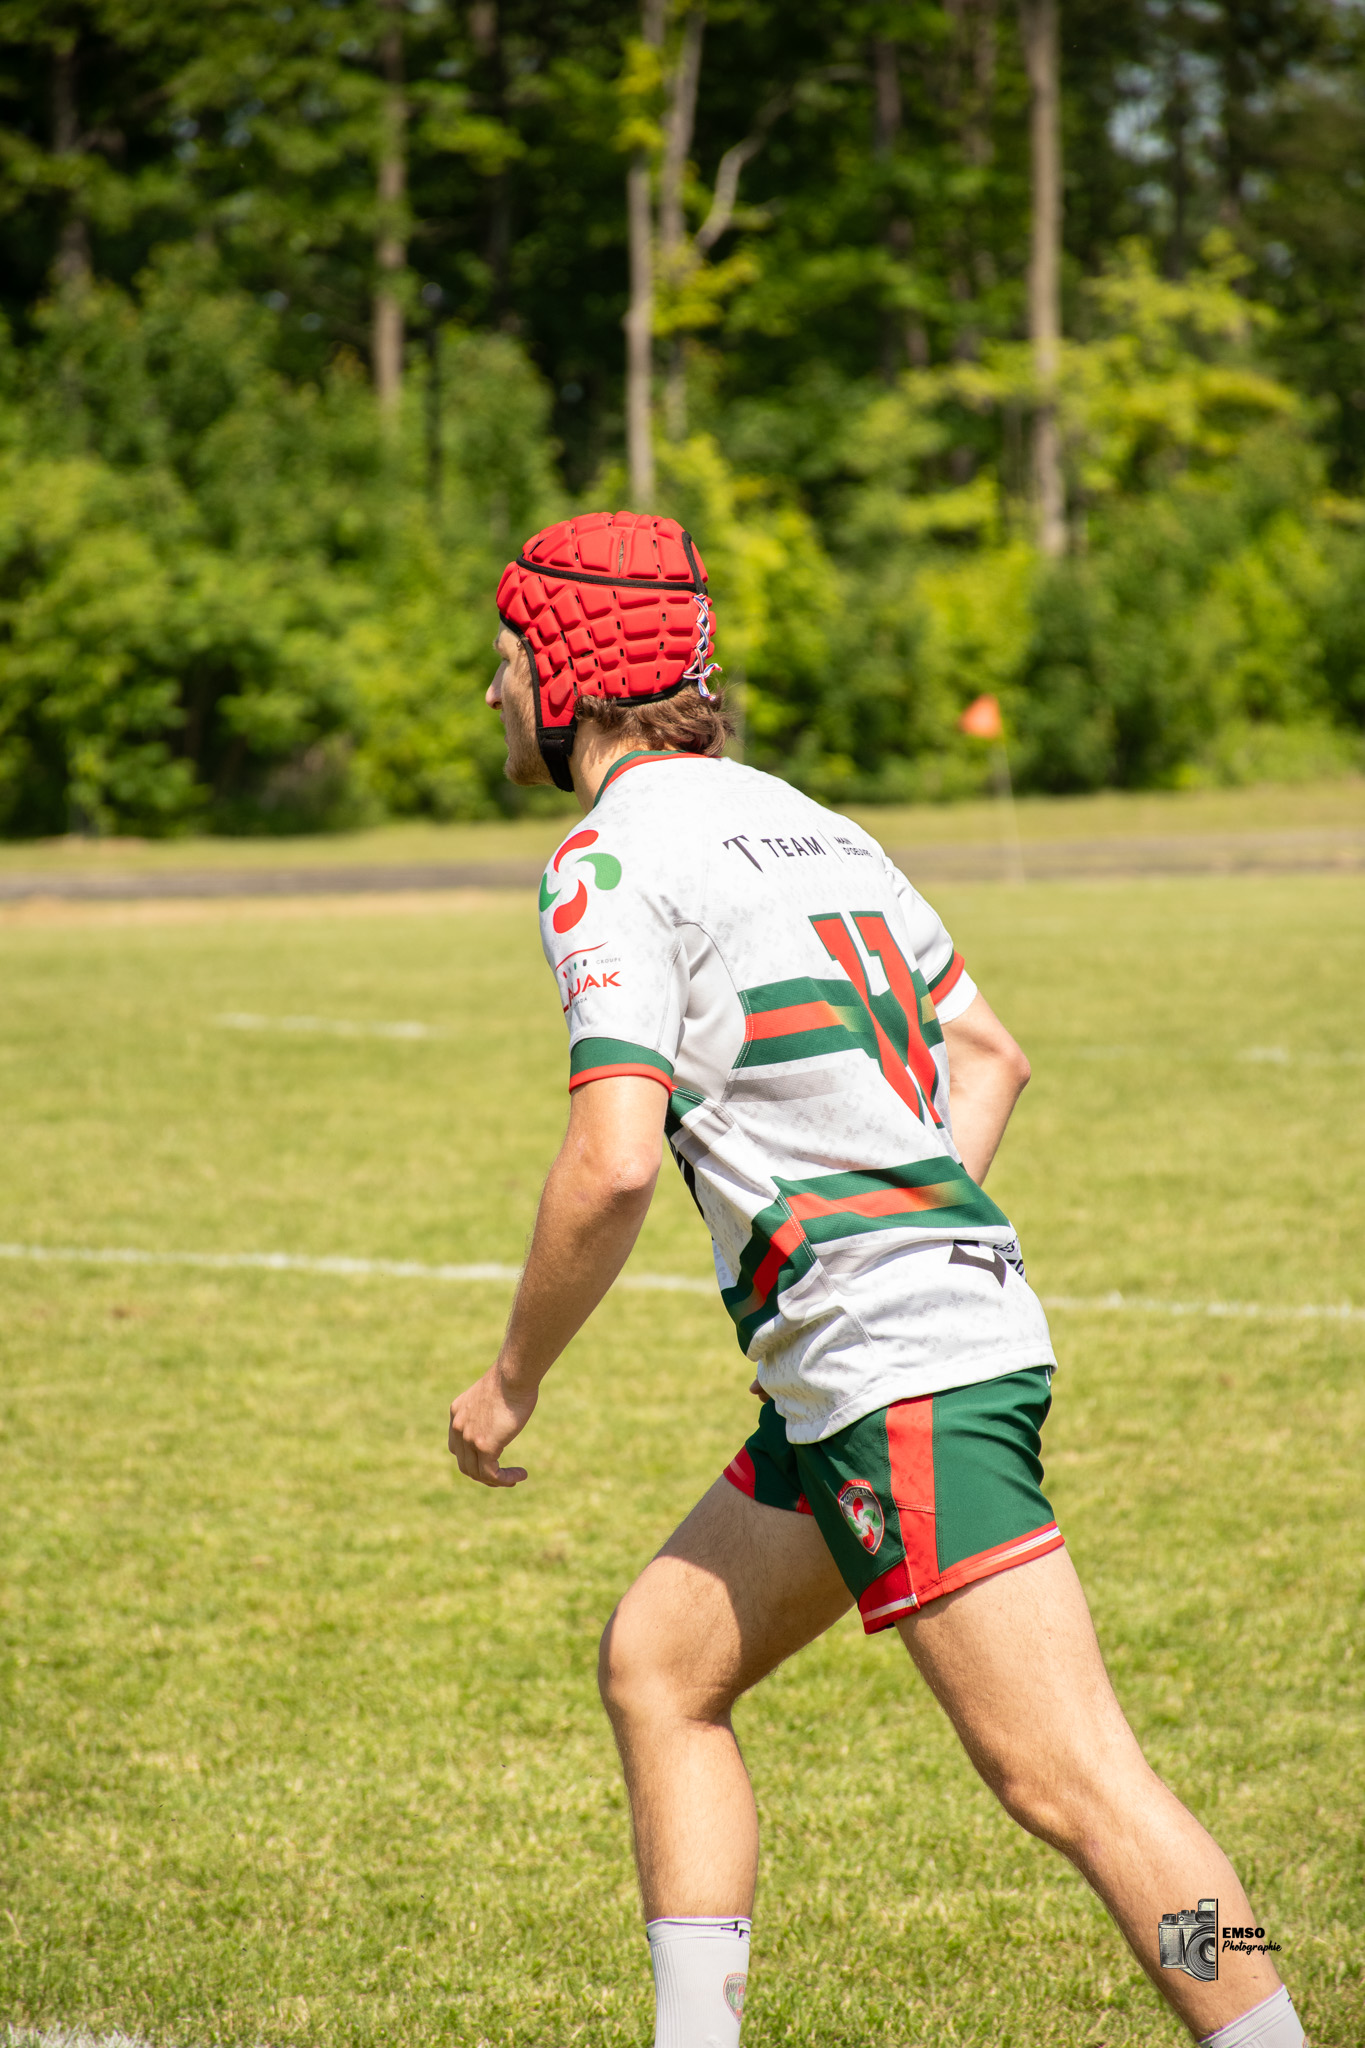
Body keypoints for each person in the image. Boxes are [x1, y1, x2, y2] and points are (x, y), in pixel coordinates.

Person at [448, 511, 1302, 2048]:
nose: (490, 695)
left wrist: (511, 1382)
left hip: (893, 1372)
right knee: (660, 1663)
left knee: (1080, 1784)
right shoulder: (813, 822)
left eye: (503, 659)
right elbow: (989, 1053)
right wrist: (898, 1230)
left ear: (567, 667)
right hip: (873, 1355)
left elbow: (614, 1158)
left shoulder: (605, 859)